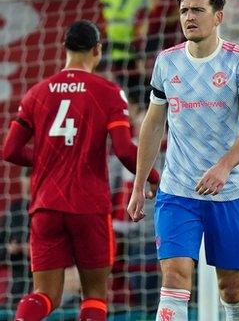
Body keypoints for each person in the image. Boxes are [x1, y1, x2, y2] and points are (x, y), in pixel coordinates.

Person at [126, 0, 239, 321]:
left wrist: (224, 167)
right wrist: (138, 184)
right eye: (185, 10)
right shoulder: (167, 62)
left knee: (232, 289)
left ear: (218, 17)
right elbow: (153, 124)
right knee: (174, 281)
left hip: (229, 193)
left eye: (198, 10)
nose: (189, 17)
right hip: (178, 191)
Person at [2, 19, 159, 321]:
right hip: (89, 206)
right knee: (95, 297)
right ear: (97, 50)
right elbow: (125, 150)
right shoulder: (108, 92)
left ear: (64, 49)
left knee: (45, 295)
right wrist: (154, 178)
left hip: (46, 206)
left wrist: (50, 158)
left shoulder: (37, 92)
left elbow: (9, 150)